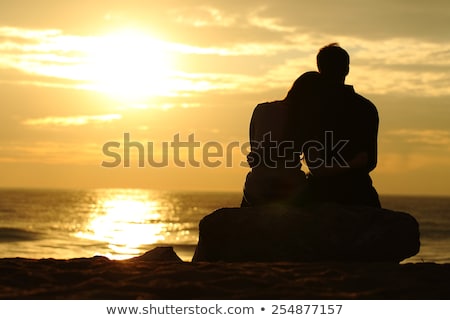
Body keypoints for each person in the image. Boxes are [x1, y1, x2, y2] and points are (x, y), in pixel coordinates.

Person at [303, 43, 381, 208]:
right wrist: (352, 164)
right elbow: (370, 161)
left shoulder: (311, 109)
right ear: (347, 70)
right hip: (358, 192)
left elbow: (314, 165)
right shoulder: (366, 107)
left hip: (319, 193)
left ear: (320, 70)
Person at [240, 71, 322, 207]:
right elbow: (316, 167)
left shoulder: (261, 109)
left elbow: (255, 152)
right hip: (288, 192)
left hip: (254, 191)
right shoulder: (306, 119)